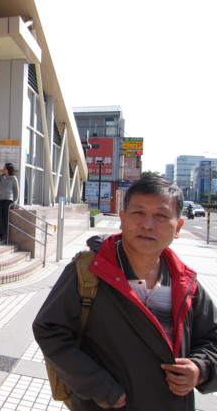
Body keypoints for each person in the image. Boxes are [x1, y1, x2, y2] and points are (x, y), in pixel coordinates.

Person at [33, 175, 217, 410]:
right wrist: (98, 385)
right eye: (138, 213)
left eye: (161, 216)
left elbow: (213, 337)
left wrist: (200, 368)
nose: (148, 224)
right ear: (122, 219)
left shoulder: (186, 284)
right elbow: (49, 329)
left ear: (178, 227)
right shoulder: (89, 271)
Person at [0, 162, 19, 243]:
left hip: (8, 199)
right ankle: (0, 234)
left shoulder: (13, 178)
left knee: (6, 217)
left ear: (8, 169)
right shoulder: (0, 177)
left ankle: (5, 234)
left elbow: (16, 191)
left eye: (5, 168)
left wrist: (15, 201)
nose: (3, 169)